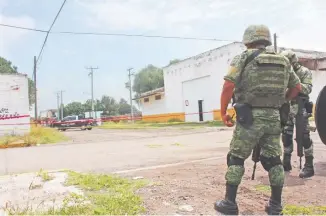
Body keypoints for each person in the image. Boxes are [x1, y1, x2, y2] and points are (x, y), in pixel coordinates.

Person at [214, 24, 302, 215]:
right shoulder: (283, 61)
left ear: (248, 39)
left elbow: (228, 85)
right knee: (273, 161)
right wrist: (282, 100)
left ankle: (229, 203)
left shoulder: (244, 57)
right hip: (273, 117)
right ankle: (275, 205)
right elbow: (297, 88)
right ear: (267, 39)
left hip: (249, 118)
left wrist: (223, 113)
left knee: (236, 158)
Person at [280, 50, 314, 178]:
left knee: (304, 137)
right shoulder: (284, 72)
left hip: (300, 107)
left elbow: (308, 88)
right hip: (287, 107)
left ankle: (309, 166)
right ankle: (286, 162)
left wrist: (295, 85)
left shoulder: (304, 72)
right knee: (286, 136)